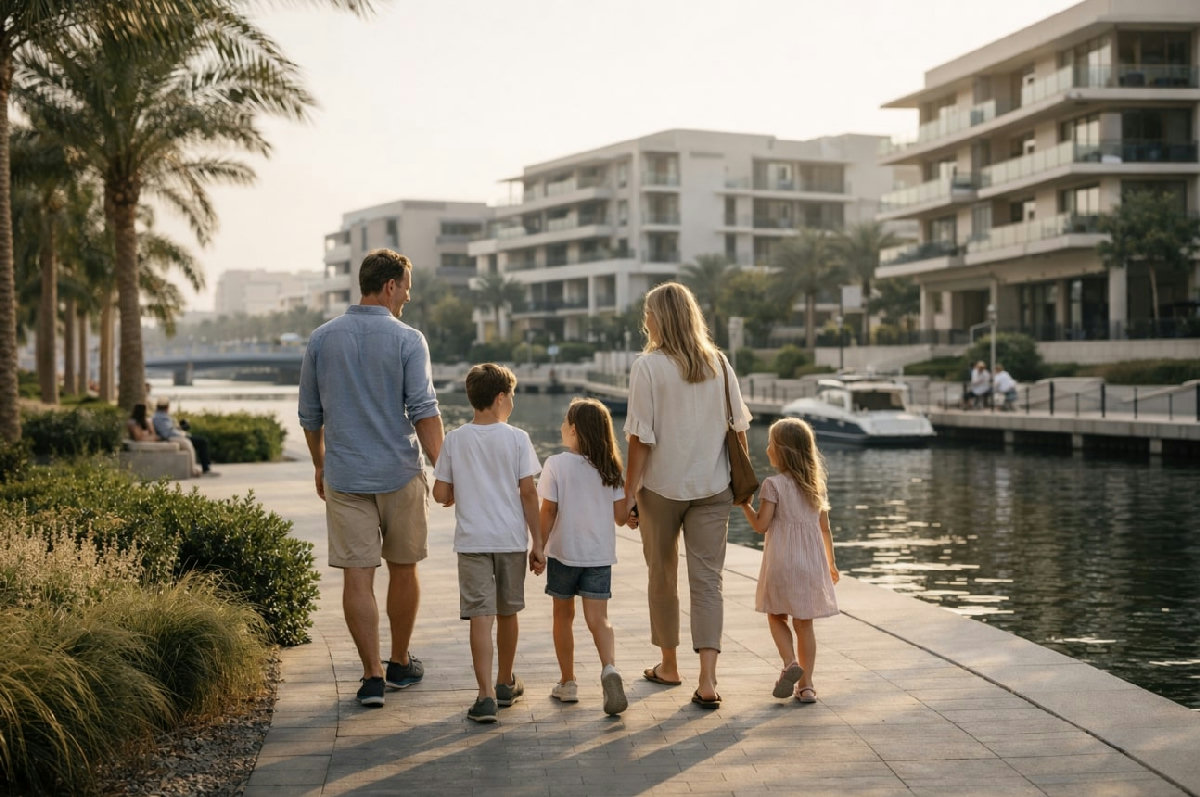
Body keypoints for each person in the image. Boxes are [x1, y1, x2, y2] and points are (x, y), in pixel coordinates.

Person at [298, 249, 443, 709]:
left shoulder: (322, 339)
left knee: (357, 578)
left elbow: (310, 414)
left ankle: (372, 676)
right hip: (400, 472)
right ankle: (400, 661)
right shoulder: (408, 339)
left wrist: (320, 463)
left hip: (346, 475)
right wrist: (447, 471)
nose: (407, 298)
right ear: (389, 286)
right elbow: (423, 410)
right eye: (405, 289)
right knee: (404, 568)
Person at [622, 281, 752, 710]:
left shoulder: (648, 367)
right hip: (713, 487)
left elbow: (640, 440)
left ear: (659, 318)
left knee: (662, 575)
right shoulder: (719, 363)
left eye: (648, 313)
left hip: (661, 489)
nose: (645, 320)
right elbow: (739, 429)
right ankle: (709, 680)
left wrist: (628, 494)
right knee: (708, 582)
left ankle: (670, 666)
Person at [432, 363, 544, 724]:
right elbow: (528, 493)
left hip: (472, 542)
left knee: (480, 616)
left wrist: (453, 492)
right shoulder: (517, 439)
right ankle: (504, 683)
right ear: (500, 398)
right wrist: (538, 542)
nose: (512, 401)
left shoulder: (455, 438)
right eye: (511, 395)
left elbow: (440, 493)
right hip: (510, 540)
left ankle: (483, 698)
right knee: (508, 612)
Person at [738, 418, 839, 704]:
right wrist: (832, 563)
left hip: (781, 563)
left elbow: (761, 525)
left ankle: (789, 661)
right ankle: (806, 686)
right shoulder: (815, 486)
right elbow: (825, 528)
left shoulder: (773, 485)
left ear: (782, 451)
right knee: (804, 624)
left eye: (770, 444)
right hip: (810, 564)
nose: (767, 448)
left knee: (776, 615)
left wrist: (745, 504)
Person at [538, 398, 628, 716]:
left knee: (563, 617)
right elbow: (620, 516)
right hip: (599, 556)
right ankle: (609, 668)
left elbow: (548, 511)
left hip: (564, 554)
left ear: (573, 430)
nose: (562, 427)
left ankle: (568, 682)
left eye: (565, 422)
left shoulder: (556, 465)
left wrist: (537, 548)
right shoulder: (611, 468)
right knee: (598, 619)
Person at [152, 398, 217, 477]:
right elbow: (167, 433)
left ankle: (204, 468)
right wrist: (183, 434)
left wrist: (179, 428)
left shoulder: (160, 416)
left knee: (201, 441)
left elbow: (169, 429)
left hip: (175, 436)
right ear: (166, 407)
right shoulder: (160, 417)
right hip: (174, 438)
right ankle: (205, 469)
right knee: (202, 442)